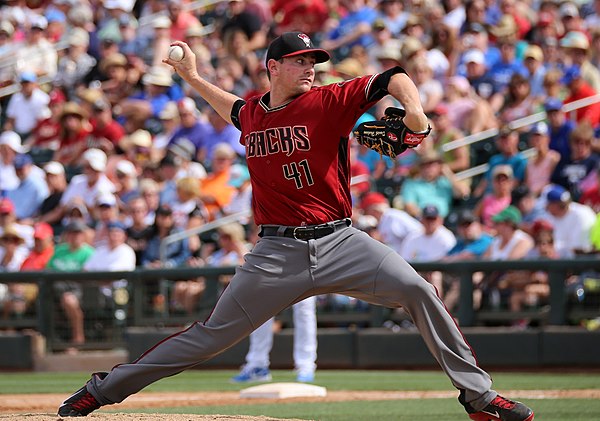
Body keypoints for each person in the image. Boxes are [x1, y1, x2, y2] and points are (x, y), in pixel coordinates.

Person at [57, 32, 534, 421]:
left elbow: (394, 77)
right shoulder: (253, 115)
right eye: (299, 60)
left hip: (342, 241)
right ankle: (103, 390)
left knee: (418, 290)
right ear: (273, 67)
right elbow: (232, 108)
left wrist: (417, 111)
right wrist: (194, 77)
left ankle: (478, 397)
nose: (310, 68)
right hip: (274, 254)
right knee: (208, 337)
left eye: (313, 61)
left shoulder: (328, 101)